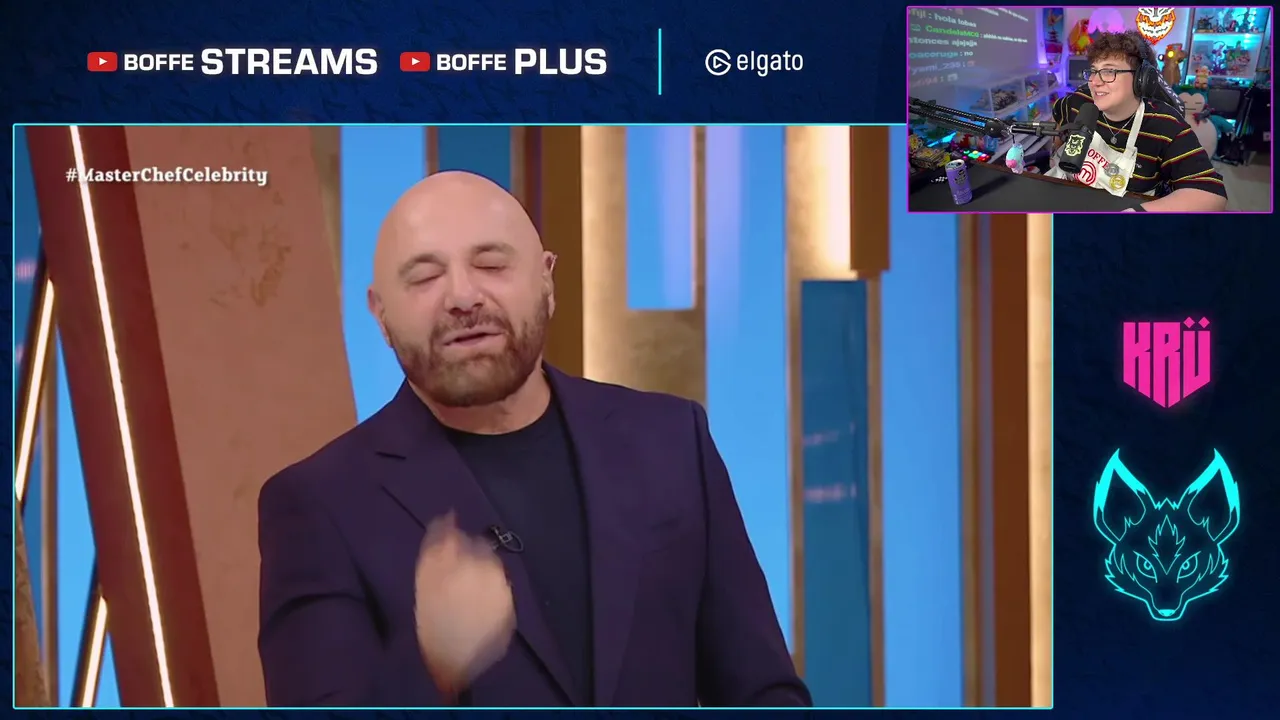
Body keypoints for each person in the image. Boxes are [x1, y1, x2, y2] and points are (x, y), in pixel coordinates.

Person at [257, 171, 811, 708]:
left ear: (546, 279)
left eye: (491, 264)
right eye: (425, 277)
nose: (462, 296)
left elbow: (762, 691)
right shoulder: (320, 503)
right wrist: (433, 664)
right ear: (380, 313)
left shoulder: (669, 441)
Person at [1049, 30, 1228, 212]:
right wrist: (1054, 151)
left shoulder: (1165, 124)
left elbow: (1212, 195)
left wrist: (1137, 213)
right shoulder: (1077, 102)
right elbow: (1057, 119)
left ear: (1141, 79)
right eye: (1094, 71)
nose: (1094, 82)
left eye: (1109, 71)